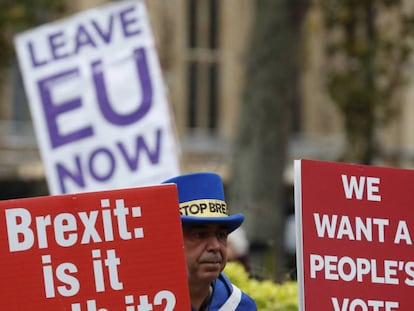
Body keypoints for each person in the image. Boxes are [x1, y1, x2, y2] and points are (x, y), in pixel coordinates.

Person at [162, 172, 257, 311]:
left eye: (221, 235)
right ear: (169, 242)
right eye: (200, 235)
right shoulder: (142, 304)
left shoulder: (241, 306)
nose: (215, 246)